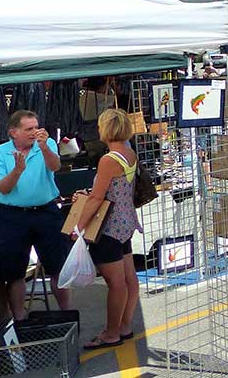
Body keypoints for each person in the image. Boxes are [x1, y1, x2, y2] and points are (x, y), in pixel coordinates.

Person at [0, 110, 71, 320]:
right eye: (29, 129)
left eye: (36, 127)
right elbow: (3, 189)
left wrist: (43, 147)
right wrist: (17, 170)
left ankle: (66, 313)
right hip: (14, 216)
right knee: (14, 271)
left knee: (57, 266)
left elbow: (55, 166)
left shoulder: (46, 144)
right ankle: (19, 319)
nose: (35, 132)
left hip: (46, 212)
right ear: (13, 132)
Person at [72, 109, 142, 349]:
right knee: (129, 278)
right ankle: (124, 325)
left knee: (116, 283)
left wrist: (78, 226)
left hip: (108, 227)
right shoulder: (129, 153)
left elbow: (96, 199)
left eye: (101, 125)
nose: (98, 130)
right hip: (126, 222)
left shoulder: (108, 159)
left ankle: (111, 332)